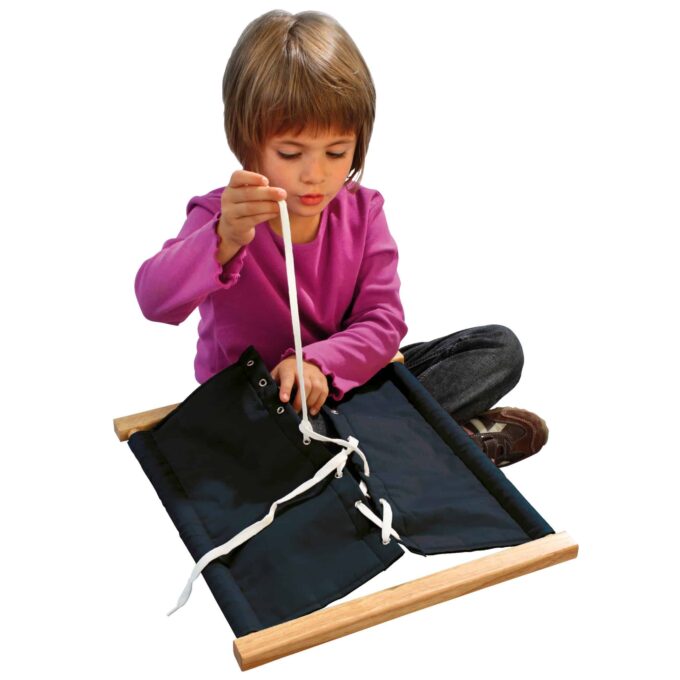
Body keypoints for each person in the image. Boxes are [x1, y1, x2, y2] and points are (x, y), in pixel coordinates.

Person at [134, 9, 547, 467]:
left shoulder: (364, 212)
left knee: (497, 350)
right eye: (290, 153)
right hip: (257, 409)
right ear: (248, 143)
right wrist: (222, 239)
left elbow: (382, 322)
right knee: (259, 436)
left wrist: (318, 364)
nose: (315, 174)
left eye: (336, 152)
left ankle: (371, 452)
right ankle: (421, 448)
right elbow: (154, 301)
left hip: (345, 387)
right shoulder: (223, 215)